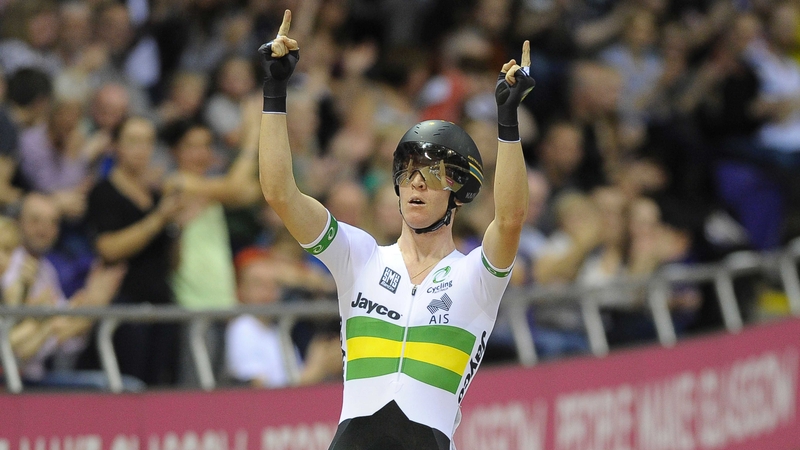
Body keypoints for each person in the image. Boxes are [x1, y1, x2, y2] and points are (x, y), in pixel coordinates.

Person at [257, 10, 532, 449]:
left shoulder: (475, 276)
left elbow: (512, 219)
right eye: (407, 173)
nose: (417, 183)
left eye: (434, 174)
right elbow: (279, 194)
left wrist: (508, 124)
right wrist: (273, 92)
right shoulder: (361, 255)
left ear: (460, 192)